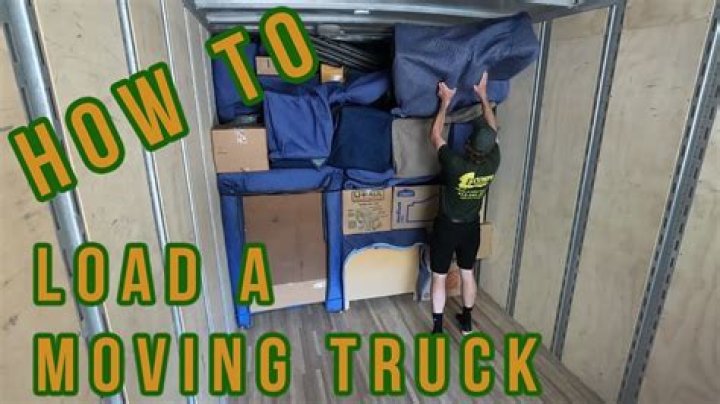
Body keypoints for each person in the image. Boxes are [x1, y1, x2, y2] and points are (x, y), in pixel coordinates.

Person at [428, 72, 500, 334]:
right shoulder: (493, 162)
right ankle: (467, 321)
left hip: (448, 227)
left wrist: (445, 102)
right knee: (467, 273)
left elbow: (435, 135)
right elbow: (493, 131)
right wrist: (484, 97)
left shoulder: (455, 163)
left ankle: (438, 329)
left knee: (439, 276)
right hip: (471, 228)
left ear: (468, 144)